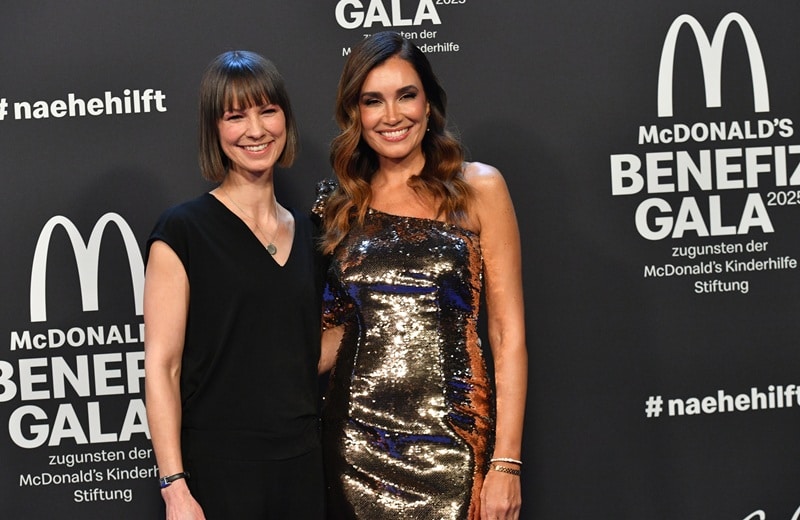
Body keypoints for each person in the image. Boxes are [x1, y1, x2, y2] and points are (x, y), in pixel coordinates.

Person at [315, 32, 527, 520]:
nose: (392, 116)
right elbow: (333, 334)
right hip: (352, 446)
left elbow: (507, 333)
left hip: (453, 441)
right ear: (356, 114)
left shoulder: (479, 188)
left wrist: (506, 462)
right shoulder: (339, 206)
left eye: (406, 95)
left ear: (428, 104)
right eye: (373, 101)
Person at [144, 50, 324, 519]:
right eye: (236, 116)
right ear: (215, 129)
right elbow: (163, 367)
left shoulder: (313, 233)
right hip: (218, 472)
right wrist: (175, 488)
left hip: (304, 467)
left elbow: (305, 350)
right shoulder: (183, 231)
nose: (256, 130)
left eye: (268, 110)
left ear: (285, 118)